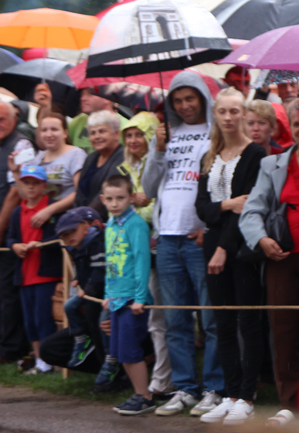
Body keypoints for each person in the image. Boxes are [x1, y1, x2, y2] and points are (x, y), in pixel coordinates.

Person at [240, 97, 299, 424]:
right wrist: (261, 239)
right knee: (283, 328)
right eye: (297, 124)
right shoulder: (272, 164)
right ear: (289, 128)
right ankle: (289, 402)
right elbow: (251, 210)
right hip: (280, 257)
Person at [143, 72, 224, 417]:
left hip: (198, 237)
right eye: (178, 100)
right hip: (168, 238)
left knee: (210, 319)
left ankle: (214, 388)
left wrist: (211, 226)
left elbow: (221, 183)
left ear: (203, 99)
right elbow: (148, 187)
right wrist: (158, 152)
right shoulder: (165, 135)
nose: (184, 105)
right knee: (175, 319)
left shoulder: (214, 133)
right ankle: (185, 388)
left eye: (191, 98)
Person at [193, 89, 265, 425]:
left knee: (247, 321)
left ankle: (247, 395)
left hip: (240, 247)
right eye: (222, 111)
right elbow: (203, 209)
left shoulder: (254, 153)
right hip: (213, 245)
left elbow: (247, 207)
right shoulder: (209, 156)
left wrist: (223, 245)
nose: (228, 117)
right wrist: (225, 204)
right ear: (216, 115)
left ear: (243, 114)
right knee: (221, 322)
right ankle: (231, 391)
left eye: (234, 111)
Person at [116, 111, 172, 397]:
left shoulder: (160, 161)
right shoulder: (123, 167)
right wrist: (131, 205)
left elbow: (159, 204)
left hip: (161, 244)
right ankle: (160, 376)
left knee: (164, 315)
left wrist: (141, 204)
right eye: (129, 135)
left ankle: (164, 377)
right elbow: (114, 208)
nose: (134, 140)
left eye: (139, 134)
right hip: (135, 252)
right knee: (152, 318)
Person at [101, 174, 156, 415]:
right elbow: (110, 262)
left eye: (121, 198)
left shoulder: (136, 224)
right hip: (116, 298)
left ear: (132, 198)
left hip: (133, 298)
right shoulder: (110, 225)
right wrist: (107, 293)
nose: (115, 203)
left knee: (130, 350)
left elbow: (143, 261)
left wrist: (140, 298)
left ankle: (144, 396)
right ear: (103, 199)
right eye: (110, 199)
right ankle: (139, 393)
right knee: (120, 351)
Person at [7, 163, 62, 373]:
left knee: (44, 319)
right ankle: (39, 360)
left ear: (44, 186)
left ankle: (49, 361)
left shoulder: (52, 208)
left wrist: (41, 244)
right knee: (30, 321)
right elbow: (11, 237)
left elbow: (60, 235)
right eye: (27, 183)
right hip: (25, 275)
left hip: (45, 275)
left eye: (35, 183)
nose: (31, 187)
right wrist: (15, 246)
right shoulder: (18, 211)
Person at [0, 100, 34, 363]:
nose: (0, 124)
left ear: (14, 119)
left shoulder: (21, 145)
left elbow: (15, 192)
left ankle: (10, 348)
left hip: (11, 229)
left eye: (3, 119)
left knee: (7, 290)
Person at [57, 206, 107, 371]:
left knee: (101, 326)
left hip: (102, 294)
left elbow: (100, 270)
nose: (68, 237)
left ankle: (110, 365)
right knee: (69, 306)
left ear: (87, 227)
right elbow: (81, 266)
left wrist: (89, 289)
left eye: (72, 231)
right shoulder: (75, 246)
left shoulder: (97, 242)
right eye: (64, 235)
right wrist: (77, 278)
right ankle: (81, 339)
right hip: (89, 294)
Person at [29, 112, 86, 225]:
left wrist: (50, 210)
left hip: (68, 219)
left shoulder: (76, 154)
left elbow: (80, 192)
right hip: (42, 221)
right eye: (44, 130)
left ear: (65, 133)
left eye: (54, 129)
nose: (49, 134)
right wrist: (16, 171)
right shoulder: (38, 158)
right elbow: (27, 193)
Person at [74, 110, 125, 213]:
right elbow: (80, 194)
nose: (97, 137)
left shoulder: (123, 157)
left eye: (102, 131)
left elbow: (106, 194)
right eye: (93, 133)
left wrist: (85, 217)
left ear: (116, 134)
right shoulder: (91, 158)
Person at [69, 87, 116, 153]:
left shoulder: (124, 126)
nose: (83, 98)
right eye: (82, 94)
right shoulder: (75, 122)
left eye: (90, 93)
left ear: (107, 97)